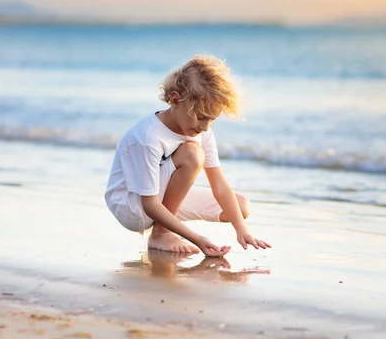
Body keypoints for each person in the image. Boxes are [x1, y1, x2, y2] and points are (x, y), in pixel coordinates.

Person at [104, 55, 271, 257]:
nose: (205, 127)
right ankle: (161, 233)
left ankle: (164, 227)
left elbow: (219, 184)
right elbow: (150, 204)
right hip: (133, 205)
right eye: (201, 117)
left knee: (241, 208)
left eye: (212, 119)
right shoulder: (149, 137)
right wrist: (197, 239)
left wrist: (241, 229)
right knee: (192, 153)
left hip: (157, 198)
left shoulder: (201, 130)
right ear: (175, 100)